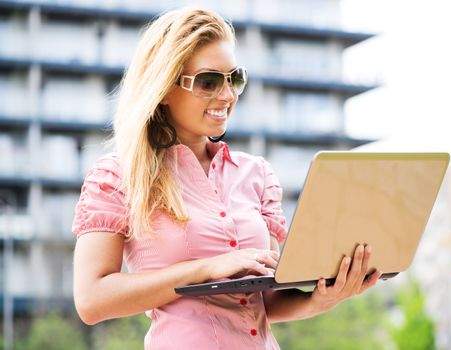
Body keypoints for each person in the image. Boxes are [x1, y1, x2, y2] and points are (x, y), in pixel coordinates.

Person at [72, 7, 382, 350]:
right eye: (209, 81)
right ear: (163, 87)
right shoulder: (118, 175)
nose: (227, 95)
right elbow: (91, 299)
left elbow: (265, 298)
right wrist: (208, 268)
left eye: (234, 79)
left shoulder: (256, 174)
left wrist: (322, 299)